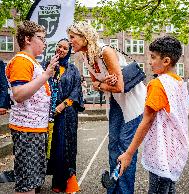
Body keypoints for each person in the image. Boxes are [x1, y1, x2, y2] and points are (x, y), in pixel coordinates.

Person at [67, 21, 146, 194]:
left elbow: (119, 87)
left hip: (132, 104)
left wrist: (100, 85)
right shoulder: (86, 56)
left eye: (72, 37)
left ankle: (124, 192)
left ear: (84, 36)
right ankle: (113, 188)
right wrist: (102, 83)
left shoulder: (105, 52)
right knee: (113, 146)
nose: (70, 41)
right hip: (116, 103)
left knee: (125, 147)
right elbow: (94, 83)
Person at [118, 36, 189, 193]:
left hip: (161, 152)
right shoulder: (179, 82)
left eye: (153, 57)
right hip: (175, 150)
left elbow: (146, 121)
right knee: (169, 189)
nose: (149, 62)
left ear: (166, 61)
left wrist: (129, 153)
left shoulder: (157, 84)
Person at [5, 20, 59, 194]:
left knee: (33, 178)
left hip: (33, 128)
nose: (44, 43)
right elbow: (19, 94)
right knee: (27, 182)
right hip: (27, 129)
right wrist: (46, 76)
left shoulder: (31, 61)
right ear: (28, 39)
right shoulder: (21, 61)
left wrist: (46, 72)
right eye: (41, 38)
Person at [44, 39, 84, 193]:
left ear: (69, 51)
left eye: (65, 48)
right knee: (51, 147)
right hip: (48, 113)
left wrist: (63, 105)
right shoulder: (48, 66)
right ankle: (49, 180)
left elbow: (76, 91)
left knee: (65, 146)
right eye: (59, 46)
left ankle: (65, 181)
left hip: (67, 113)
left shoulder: (73, 69)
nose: (61, 49)